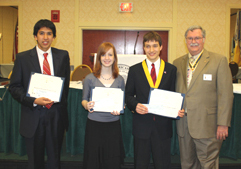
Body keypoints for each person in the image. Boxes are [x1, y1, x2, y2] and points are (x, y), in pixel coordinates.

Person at [9, 19, 70, 169]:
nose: (45, 37)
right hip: (33, 114)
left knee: (55, 159)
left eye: (49, 34)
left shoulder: (62, 56)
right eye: (41, 33)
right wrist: (34, 100)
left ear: (54, 37)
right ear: (35, 36)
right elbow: (14, 87)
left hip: (55, 115)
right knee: (35, 161)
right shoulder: (22, 58)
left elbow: (65, 85)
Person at [173, 25, 233, 169]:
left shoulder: (218, 60)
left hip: (207, 125)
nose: (193, 41)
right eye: (190, 38)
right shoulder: (177, 63)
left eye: (197, 38)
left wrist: (223, 123)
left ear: (204, 39)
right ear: (185, 41)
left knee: (208, 164)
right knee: (187, 164)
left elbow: (226, 94)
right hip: (184, 124)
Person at [125, 31, 184, 169]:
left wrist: (178, 109)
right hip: (142, 126)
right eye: (148, 46)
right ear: (144, 48)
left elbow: (175, 94)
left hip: (162, 127)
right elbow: (127, 96)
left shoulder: (171, 70)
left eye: (155, 46)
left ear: (161, 47)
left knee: (163, 164)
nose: (151, 50)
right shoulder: (135, 70)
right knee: (140, 164)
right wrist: (135, 106)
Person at [81, 42, 125, 169]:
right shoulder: (89, 78)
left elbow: (122, 102)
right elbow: (84, 99)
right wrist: (86, 105)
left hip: (113, 126)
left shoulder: (120, 79)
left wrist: (122, 108)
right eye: (103, 55)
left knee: (112, 161)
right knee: (93, 161)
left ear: (114, 58)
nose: (107, 58)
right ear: (99, 58)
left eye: (110, 55)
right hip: (94, 125)